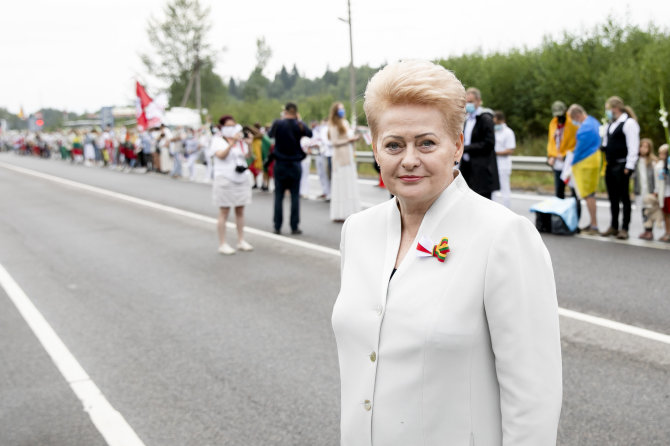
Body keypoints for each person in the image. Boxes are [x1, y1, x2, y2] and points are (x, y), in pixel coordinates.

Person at [332, 60, 562, 445]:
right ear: (374, 149)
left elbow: (533, 398)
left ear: (456, 145)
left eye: (426, 142)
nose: (408, 160)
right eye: (393, 145)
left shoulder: (502, 236)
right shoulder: (358, 231)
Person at [208, 115, 254, 255]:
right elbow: (221, 155)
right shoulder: (217, 140)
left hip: (240, 178)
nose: (231, 128)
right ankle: (222, 243)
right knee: (224, 211)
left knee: (240, 210)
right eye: (227, 125)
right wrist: (231, 142)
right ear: (221, 127)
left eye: (233, 125)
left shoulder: (240, 141)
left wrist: (249, 143)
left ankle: (241, 240)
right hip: (225, 179)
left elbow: (248, 157)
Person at [268, 103, 312, 234]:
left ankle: (277, 226)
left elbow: (270, 135)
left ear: (285, 111)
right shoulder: (299, 124)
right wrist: (299, 120)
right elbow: (310, 133)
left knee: (279, 196)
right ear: (296, 112)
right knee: (294, 196)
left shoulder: (278, 123)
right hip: (295, 163)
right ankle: (294, 226)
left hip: (280, 163)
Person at [600, 96, 640, 240]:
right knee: (613, 197)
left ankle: (625, 228)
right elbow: (606, 143)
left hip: (622, 165)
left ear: (615, 108)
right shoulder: (610, 124)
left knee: (624, 197)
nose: (607, 112)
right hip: (610, 165)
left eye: (608, 109)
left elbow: (633, 146)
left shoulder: (629, 123)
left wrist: (629, 166)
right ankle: (614, 225)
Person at [567, 104, 603, 235]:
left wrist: (571, 162)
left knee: (588, 195)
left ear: (577, 115)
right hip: (595, 159)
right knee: (591, 193)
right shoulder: (594, 122)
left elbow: (579, 149)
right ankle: (593, 224)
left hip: (586, 162)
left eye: (573, 119)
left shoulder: (584, 128)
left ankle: (594, 225)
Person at [460, 87, 499, 199]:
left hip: (482, 168)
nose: (468, 105)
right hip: (468, 167)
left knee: (482, 200)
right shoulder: (466, 119)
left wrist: (466, 148)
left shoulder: (485, 119)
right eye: (466, 102)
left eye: (471, 102)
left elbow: (489, 144)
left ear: (478, 101)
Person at [328, 102, 362, 221]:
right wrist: (348, 140)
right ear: (335, 111)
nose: (342, 111)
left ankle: (350, 211)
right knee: (341, 185)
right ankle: (340, 213)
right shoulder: (333, 125)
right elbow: (334, 142)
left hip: (348, 156)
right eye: (340, 109)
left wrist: (353, 139)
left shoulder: (345, 123)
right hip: (340, 158)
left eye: (343, 108)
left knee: (349, 183)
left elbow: (349, 137)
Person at [547, 101, 578, 198]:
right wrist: (551, 155)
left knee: (574, 193)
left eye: (560, 115)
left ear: (565, 111)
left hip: (570, 161)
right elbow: (551, 142)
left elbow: (575, 142)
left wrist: (565, 155)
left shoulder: (572, 123)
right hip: (557, 162)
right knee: (559, 192)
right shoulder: (553, 123)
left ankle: (575, 212)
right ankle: (560, 212)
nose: (559, 117)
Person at [634, 139, 657, 240]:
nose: (643, 149)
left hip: (650, 190)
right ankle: (646, 230)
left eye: (646, 147)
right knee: (644, 210)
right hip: (640, 190)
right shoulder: (636, 160)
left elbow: (656, 177)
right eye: (641, 146)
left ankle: (649, 231)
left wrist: (655, 191)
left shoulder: (653, 162)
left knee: (650, 211)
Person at [492, 110, 516, 207]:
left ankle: (507, 208)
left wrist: (495, 153)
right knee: (493, 189)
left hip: (503, 165)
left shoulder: (508, 132)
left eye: (494, 120)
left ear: (499, 119)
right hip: (494, 164)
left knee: (504, 188)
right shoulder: (494, 131)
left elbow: (510, 150)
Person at [656, 144, 670, 242]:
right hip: (663, 193)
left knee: (669, 214)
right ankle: (667, 232)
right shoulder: (659, 165)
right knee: (665, 214)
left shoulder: (668, 164)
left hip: (669, 193)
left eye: (663, 153)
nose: (661, 155)